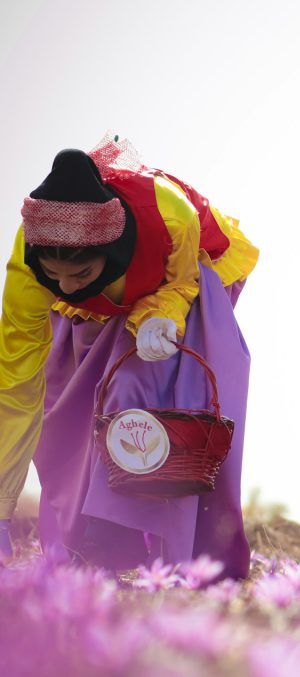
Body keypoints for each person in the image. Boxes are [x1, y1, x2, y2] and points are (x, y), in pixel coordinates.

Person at [0, 135, 258, 579]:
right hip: (100, 307)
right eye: (53, 276)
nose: (64, 286)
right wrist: (2, 504)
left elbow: (181, 282)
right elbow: (15, 386)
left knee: (138, 390)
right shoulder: (31, 264)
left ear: (110, 250)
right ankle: (88, 538)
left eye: (80, 272)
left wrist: (160, 318)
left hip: (182, 280)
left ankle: (123, 535)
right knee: (72, 407)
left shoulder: (170, 212)